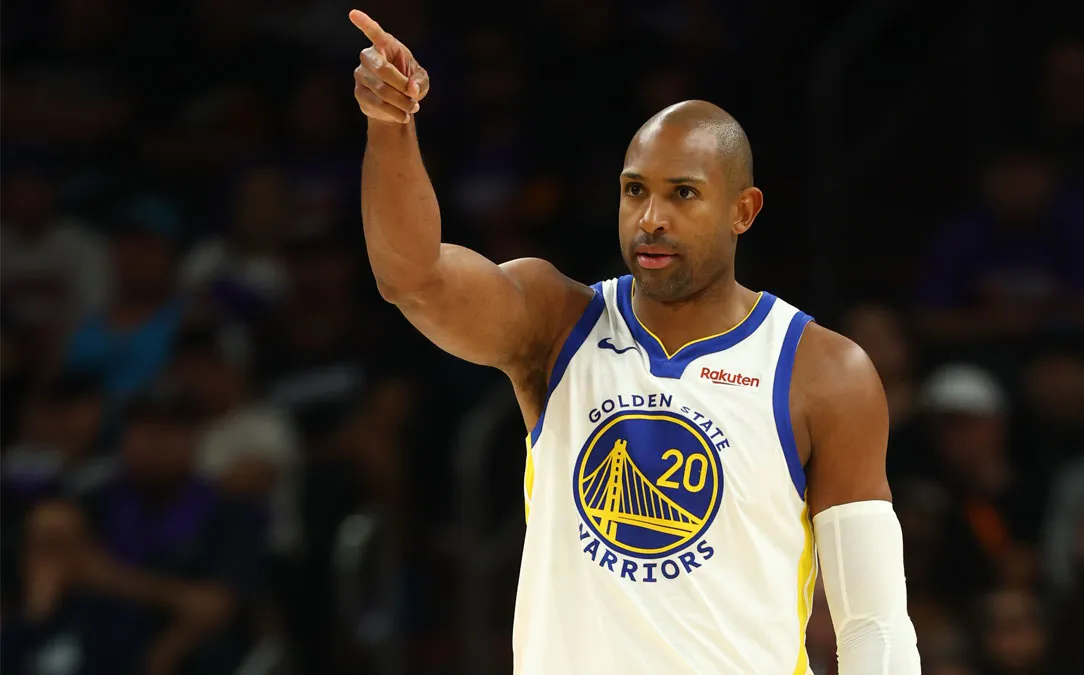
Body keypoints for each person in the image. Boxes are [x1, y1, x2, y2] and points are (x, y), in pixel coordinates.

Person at [349, 9, 919, 674]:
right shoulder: (556, 322)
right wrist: (390, 125)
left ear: (743, 210)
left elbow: (873, 625)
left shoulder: (824, 371)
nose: (651, 218)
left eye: (683, 194)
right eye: (635, 191)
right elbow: (412, 277)